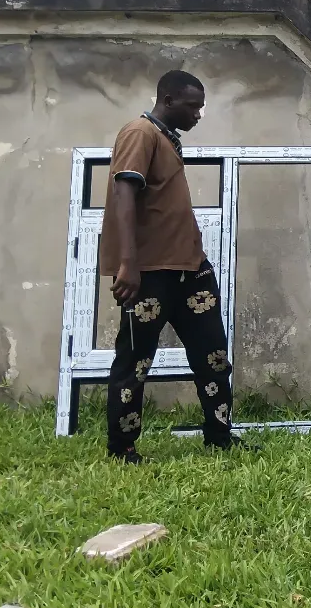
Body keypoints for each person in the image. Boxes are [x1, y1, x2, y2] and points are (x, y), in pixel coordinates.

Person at [99, 70, 253, 463]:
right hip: (150, 272)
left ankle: (218, 435)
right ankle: (123, 448)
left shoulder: (166, 138)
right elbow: (124, 192)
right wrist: (128, 263)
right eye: (192, 106)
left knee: (213, 355)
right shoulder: (140, 133)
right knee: (134, 362)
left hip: (190, 269)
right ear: (168, 100)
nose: (199, 115)